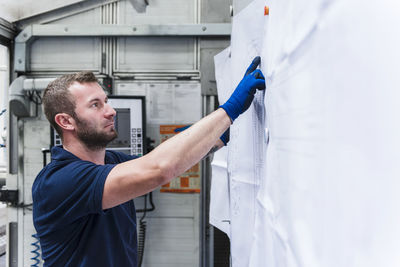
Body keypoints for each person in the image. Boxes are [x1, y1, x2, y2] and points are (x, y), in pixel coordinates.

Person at [32, 56, 265, 266]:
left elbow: (166, 161)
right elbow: (159, 169)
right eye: (96, 104)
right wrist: (229, 110)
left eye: (106, 101)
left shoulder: (110, 161)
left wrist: (217, 138)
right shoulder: (59, 180)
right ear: (66, 121)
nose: (111, 111)